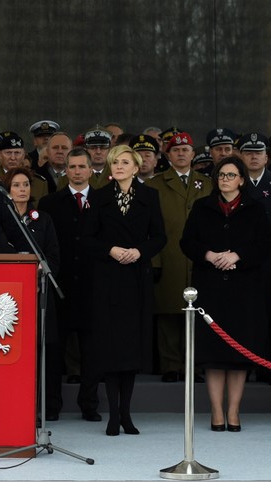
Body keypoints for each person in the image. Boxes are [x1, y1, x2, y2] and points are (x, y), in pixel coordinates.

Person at [180, 157, 270, 432]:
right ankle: (217, 413)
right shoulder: (201, 207)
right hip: (211, 289)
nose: (225, 179)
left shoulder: (255, 209)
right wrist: (209, 255)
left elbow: (265, 245)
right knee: (214, 355)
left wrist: (237, 256)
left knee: (237, 356)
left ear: (242, 179)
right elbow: (187, 242)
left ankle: (234, 412)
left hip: (244, 291)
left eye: (231, 175)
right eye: (221, 175)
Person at [83, 145, 166, 436]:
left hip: (135, 278)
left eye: (125, 162)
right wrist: (111, 249)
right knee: (109, 347)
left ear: (135, 167)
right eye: (114, 162)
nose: (118, 166)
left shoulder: (149, 196)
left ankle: (127, 415)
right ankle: (113, 415)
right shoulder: (99, 196)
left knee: (130, 349)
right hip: (107, 280)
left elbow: (159, 237)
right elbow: (87, 239)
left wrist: (139, 251)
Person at [40, 148, 101, 421]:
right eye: (72, 167)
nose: (77, 171)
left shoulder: (102, 202)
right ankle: (51, 404)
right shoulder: (50, 203)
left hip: (92, 286)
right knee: (54, 351)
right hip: (58, 286)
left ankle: (89, 404)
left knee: (92, 351)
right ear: (66, 170)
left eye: (82, 167)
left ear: (90, 169)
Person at [146, 132, 212, 382]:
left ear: (193, 154)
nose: (181, 154)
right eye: (176, 150)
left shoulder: (206, 182)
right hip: (168, 255)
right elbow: (150, 227)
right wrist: (154, 261)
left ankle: (193, 366)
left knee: (196, 314)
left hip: (199, 257)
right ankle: (171, 366)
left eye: (186, 150)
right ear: (167, 155)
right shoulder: (155, 184)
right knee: (168, 313)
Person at [3, 166, 62, 419]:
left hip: (39, 294)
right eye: (16, 185)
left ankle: (46, 407)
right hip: (9, 296)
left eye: (25, 184)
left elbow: (54, 256)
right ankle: (15, 403)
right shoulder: (1, 218)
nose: (22, 189)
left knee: (42, 349)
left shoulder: (44, 218)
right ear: (8, 190)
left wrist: (41, 269)